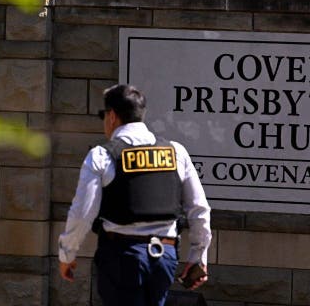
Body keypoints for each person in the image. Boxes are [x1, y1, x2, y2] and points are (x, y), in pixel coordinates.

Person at [58, 84, 212, 305]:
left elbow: (83, 213)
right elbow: (199, 209)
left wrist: (67, 254)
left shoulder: (102, 156)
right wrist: (198, 257)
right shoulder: (176, 152)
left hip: (123, 258)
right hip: (165, 256)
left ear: (112, 116)